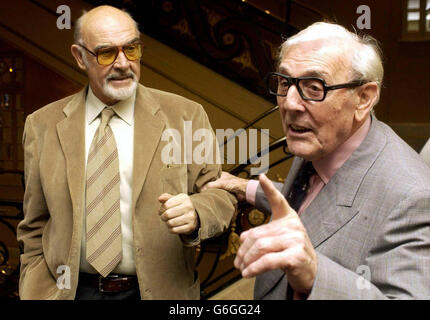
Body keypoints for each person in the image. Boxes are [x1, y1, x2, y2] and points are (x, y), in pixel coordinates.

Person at [17, 5, 236, 300]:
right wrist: (33, 288)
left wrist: (197, 212)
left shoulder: (185, 116)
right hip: (69, 293)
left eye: (131, 49)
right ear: (79, 57)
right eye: (107, 53)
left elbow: (221, 197)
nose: (123, 63)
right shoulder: (41, 125)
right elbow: (34, 224)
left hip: (157, 293)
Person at [203, 22, 430, 299]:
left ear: (363, 98)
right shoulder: (324, 138)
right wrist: (244, 187)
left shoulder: (413, 197)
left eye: (314, 87)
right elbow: (315, 200)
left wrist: (314, 275)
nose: (289, 103)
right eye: (285, 83)